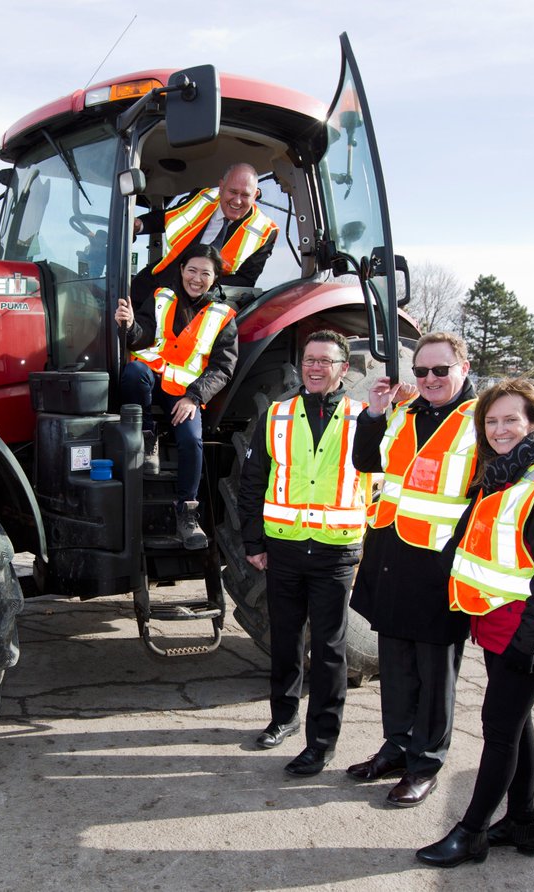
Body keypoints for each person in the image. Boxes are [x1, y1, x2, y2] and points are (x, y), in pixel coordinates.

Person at [416, 379, 534, 867]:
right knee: (518, 727)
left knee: (499, 732)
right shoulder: (510, 474)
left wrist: (525, 643)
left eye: (510, 420)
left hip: (528, 633)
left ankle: (470, 832)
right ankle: (521, 823)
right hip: (502, 627)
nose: (499, 430)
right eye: (491, 421)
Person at [346, 332, 477, 807]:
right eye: (421, 371)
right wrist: (375, 413)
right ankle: (397, 748)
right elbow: (366, 461)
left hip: (441, 564)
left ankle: (426, 763)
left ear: (463, 368)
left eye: (440, 370)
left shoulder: (479, 421)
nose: (429, 379)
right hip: (393, 557)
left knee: (434, 673)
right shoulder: (404, 413)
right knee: (396, 666)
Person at [236, 331, 370, 776]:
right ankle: (284, 718)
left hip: (335, 551)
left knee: (330, 650)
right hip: (285, 547)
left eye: (325, 361)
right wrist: (254, 543)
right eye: (310, 359)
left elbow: (387, 478)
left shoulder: (363, 418)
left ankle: (322, 742)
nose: (315, 367)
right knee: (286, 639)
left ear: (342, 369)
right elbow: (253, 480)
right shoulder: (277, 415)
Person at [115, 242, 237, 549]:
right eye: (192, 270)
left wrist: (194, 397)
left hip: (185, 392)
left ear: (215, 278)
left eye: (205, 274)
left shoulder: (223, 316)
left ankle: (187, 513)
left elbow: (223, 368)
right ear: (181, 269)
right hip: (151, 378)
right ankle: (147, 436)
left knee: (191, 440)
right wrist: (130, 326)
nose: (197, 278)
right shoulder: (160, 298)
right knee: (133, 373)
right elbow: (142, 333)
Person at [130, 163, 278, 306]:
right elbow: (168, 217)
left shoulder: (265, 232)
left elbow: (245, 280)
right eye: (232, 192)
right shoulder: (201, 198)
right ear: (221, 187)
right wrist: (139, 225)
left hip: (198, 303)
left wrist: (201, 291)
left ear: (256, 195)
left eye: (245, 195)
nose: (237, 201)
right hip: (155, 284)